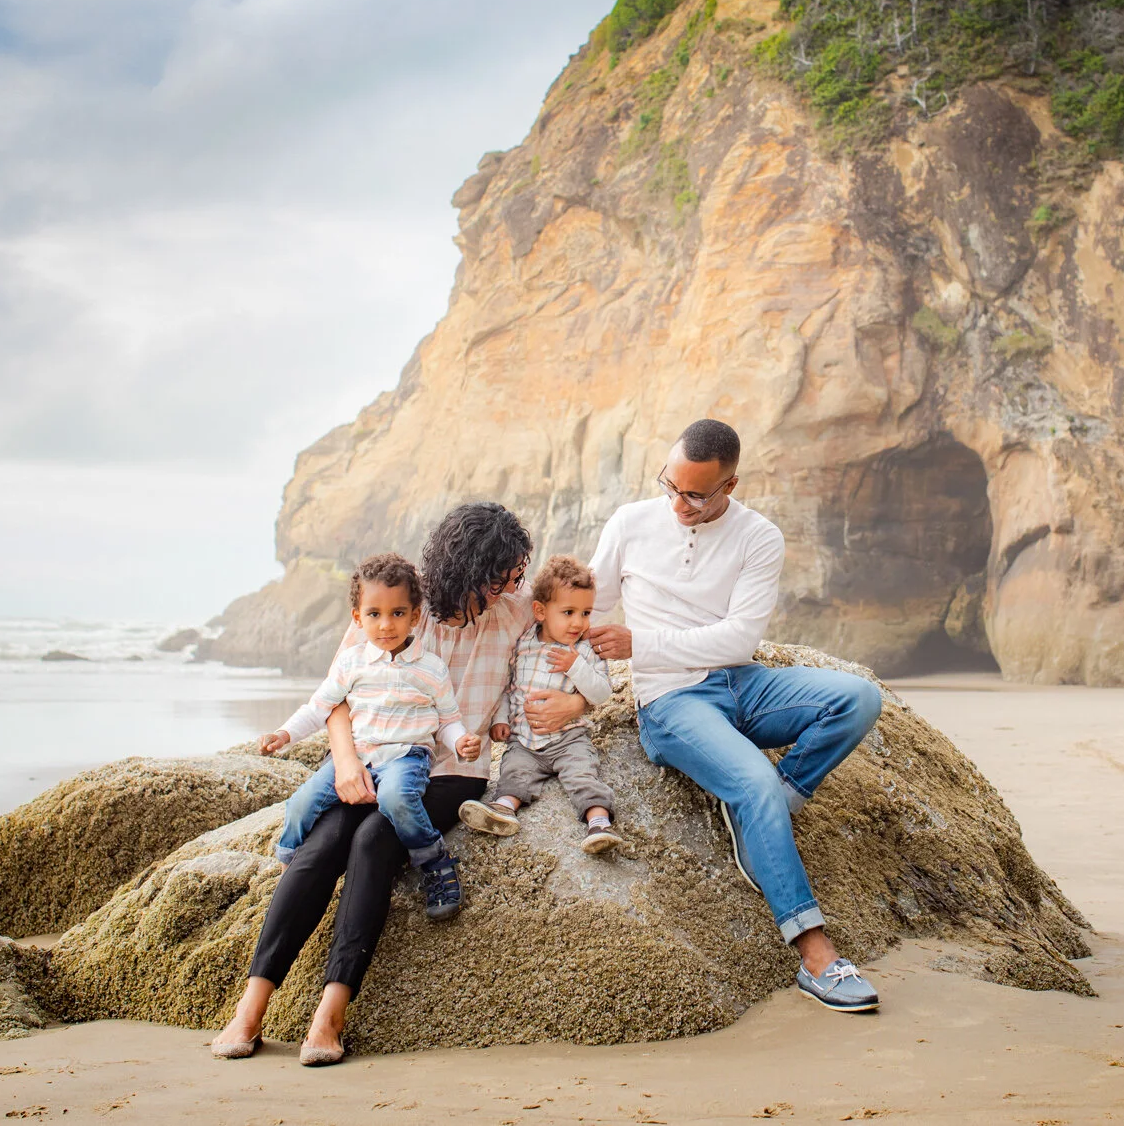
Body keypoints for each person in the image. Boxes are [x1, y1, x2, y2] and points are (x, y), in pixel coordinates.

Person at [213, 503, 559, 1067]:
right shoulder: (394, 601)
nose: (510, 588)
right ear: (464, 570)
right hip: (373, 762)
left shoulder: (515, 612)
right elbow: (336, 693)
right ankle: (250, 1008)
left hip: (451, 772)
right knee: (320, 847)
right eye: (500, 577)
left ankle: (331, 1012)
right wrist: (345, 763)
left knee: (373, 842)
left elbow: (579, 606)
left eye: (516, 576)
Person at [588, 419, 885, 1013]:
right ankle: (815, 953)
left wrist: (640, 643)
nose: (678, 504)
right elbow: (582, 612)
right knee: (749, 782)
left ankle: (772, 803)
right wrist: (575, 691)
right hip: (671, 701)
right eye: (670, 485)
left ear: (730, 484)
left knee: (858, 699)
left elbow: (738, 637)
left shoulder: (760, 537)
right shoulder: (629, 524)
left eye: (696, 495)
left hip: (743, 683)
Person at [260, 554, 481, 919]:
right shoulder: (351, 662)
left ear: (414, 616)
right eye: (374, 614)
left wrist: (459, 741)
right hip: (358, 756)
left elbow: (448, 720)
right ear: (358, 618)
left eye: (397, 613)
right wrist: (285, 733)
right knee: (301, 803)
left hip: (405, 755)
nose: (385, 624)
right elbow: (320, 708)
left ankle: (433, 860)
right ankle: (287, 868)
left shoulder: (431, 669)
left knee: (397, 799)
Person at [457, 555, 622, 854]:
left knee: (582, 774)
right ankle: (504, 809)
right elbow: (510, 688)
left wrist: (575, 667)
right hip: (525, 741)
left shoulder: (585, 651)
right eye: (569, 612)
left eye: (585, 612)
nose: (578, 622)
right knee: (514, 771)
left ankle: (598, 823)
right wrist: (501, 720)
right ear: (540, 611)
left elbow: (601, 694)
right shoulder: (524, 644)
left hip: (569, 739)